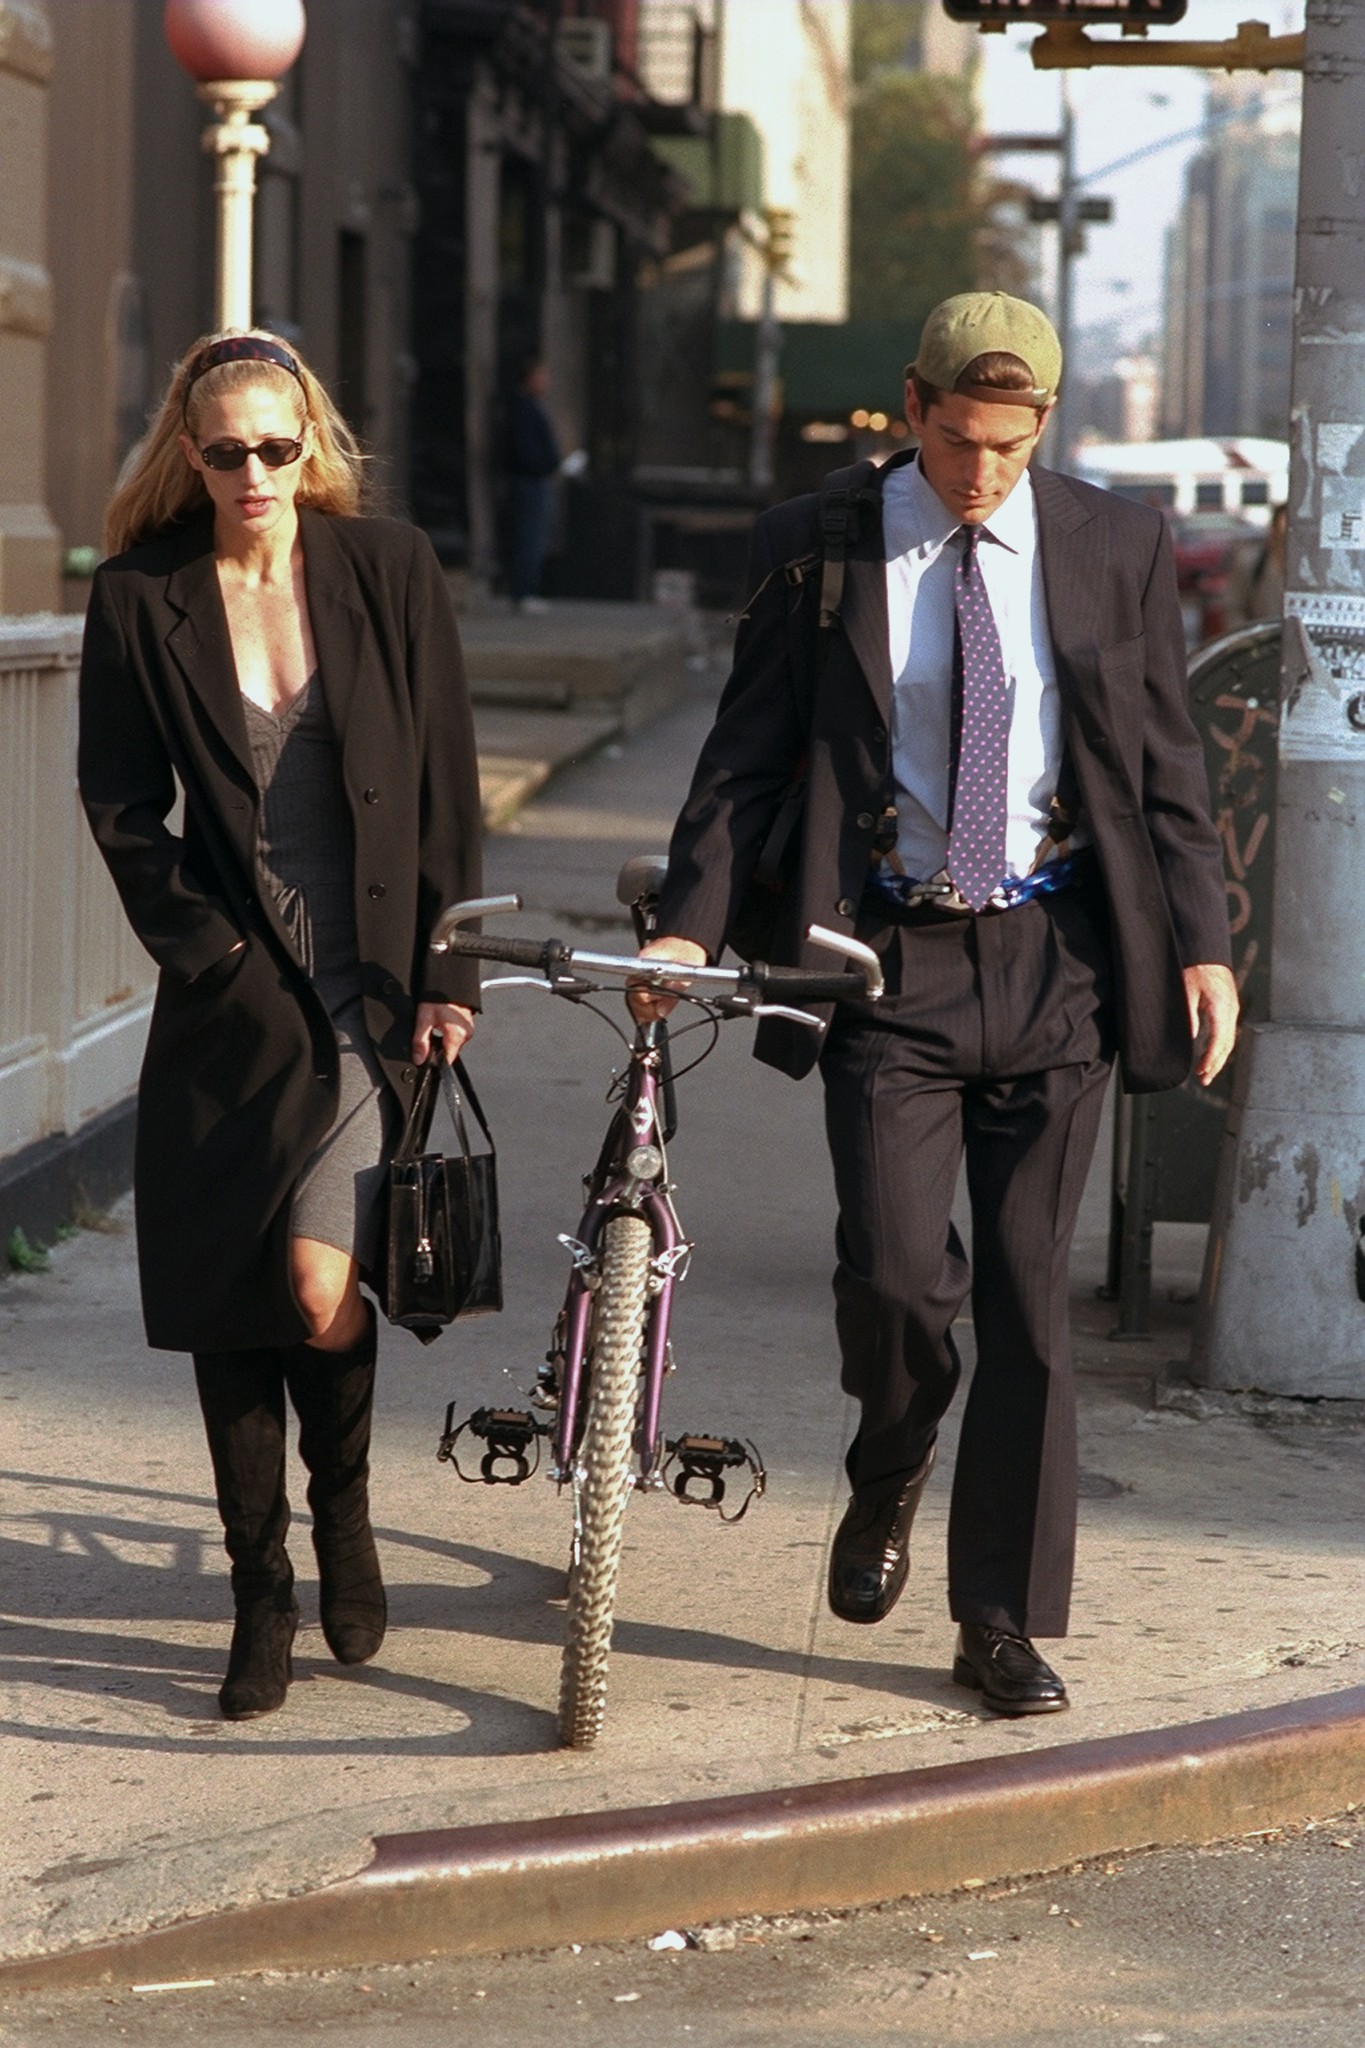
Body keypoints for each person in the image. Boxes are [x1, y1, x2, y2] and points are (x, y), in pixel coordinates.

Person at [634, 293, 1238, 1717]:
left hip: (1055, 957)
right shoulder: (818, 548)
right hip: (885, 961)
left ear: (1045, 429)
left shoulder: (1112, 545)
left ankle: (1000, 1622)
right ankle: (891, 1453)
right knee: (898, 1281)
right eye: (959, 442)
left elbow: (1164, 765)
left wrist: (1204, 942)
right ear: (911, 409)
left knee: (1030, 1301)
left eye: (1010, 449)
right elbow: (750, 758)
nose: (981, 475)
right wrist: (684, 923)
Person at [78, 330, 483, 1721]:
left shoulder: (386, 570)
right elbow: (123, 809)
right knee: (226, 1302)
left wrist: (450, 971)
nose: (253, 472)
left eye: (275, 445)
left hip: (369, 988)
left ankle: (345, 1512)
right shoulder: (143, 598)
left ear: (312, 441)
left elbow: (444, 783)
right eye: (225, 451)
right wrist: (205, 953)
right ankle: (261, 1593)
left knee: (316, 1288)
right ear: (187, 457)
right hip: (231, 997)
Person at [505, 355, 562, 612]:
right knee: (528, 536)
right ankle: (522, 592)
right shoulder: (522, 408)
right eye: (541, 375)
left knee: (535, 537)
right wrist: (541, 465)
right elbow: (525, 449)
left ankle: (527, 589)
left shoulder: (532, 406)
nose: (545, 381)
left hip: (538, 479)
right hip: (529, 481)